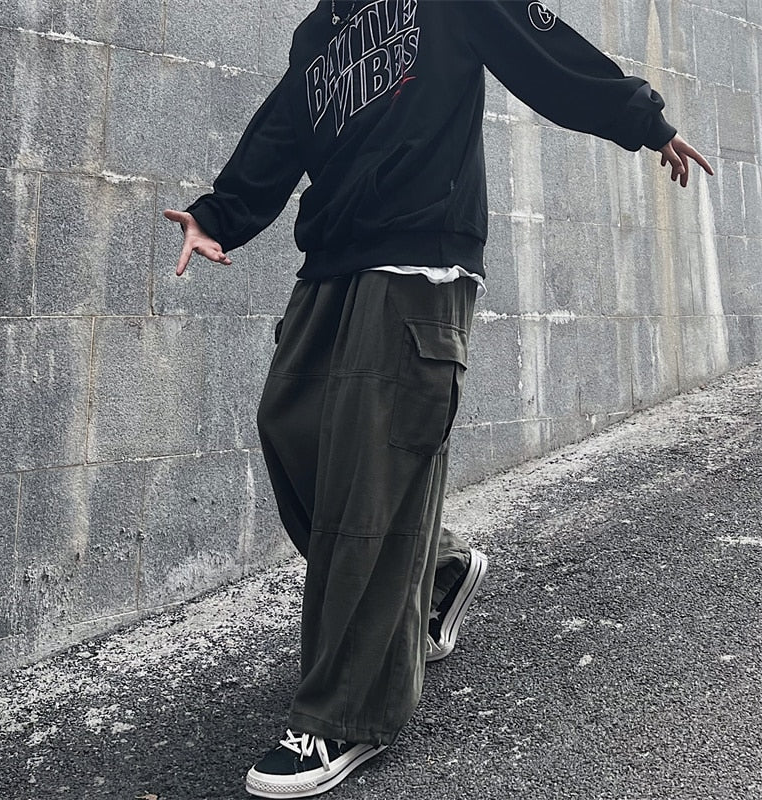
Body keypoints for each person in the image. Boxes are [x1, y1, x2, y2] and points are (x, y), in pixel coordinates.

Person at [165, 1, 714, 796]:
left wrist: (643, 121)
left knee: (369, 479)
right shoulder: (318, 33)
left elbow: (539, 52)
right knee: (290, 426)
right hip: (332, 261)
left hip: (419, 259)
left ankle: (345, 715)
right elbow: (282, 130)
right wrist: (218, 214)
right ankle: (439, 572)